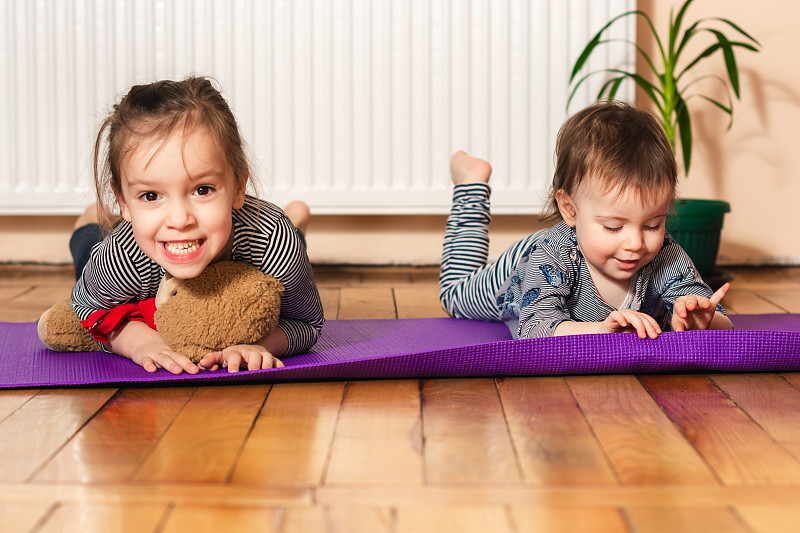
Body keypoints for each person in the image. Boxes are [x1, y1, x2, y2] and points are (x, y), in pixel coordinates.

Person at [70, 76, 324, 374]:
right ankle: (90, 217)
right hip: (112, 242)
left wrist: (261, 345)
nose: (179, 220)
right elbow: (87, 308)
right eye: (150, 195)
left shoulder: (271, 238)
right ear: (123, 202)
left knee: (290, 247)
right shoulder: (123, 252)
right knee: (90, 242)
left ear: (238, 187)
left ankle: (296, 221)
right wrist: (138, 342)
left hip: (267, 237)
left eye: (202, 190)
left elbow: (306, 322)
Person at [439, 100, 732, 340]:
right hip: (518, 272)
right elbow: (534, 329)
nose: (635, 243)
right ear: (569, 209)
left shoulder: (665, 255)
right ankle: (471, 183)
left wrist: (703, 318)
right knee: (454, 296)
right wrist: (601, 330)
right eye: (613, 227)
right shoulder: (551, 257)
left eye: (652, 224)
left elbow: (717, 318)